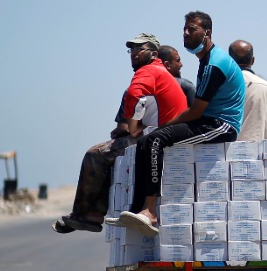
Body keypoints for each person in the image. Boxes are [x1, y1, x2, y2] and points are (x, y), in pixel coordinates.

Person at [106, 11, 246, 236]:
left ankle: (151, 212)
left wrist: (166, 125)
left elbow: (197, 110)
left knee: (156, 140)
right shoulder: (206, 60)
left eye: (192, 29)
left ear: (207, 33)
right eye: (185, 29)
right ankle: (136, 210)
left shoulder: (215, 64)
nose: (186, 33)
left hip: (221, 125)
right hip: (207, 120)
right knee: (146, 141)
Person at [52, 33, 188, 233]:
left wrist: (132, 129)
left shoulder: (148, 71)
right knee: (112, 157)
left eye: (139, 49)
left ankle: (83, 214)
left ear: (154, 54)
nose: (133, 54)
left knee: (95, 154)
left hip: (157, 137)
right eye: (131, 50)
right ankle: (94, 214)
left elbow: (133, 95)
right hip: (165, 135)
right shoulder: (162, 74)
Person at [229, 39, 267, 140]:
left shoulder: (219, 86)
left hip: (226, 153)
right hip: (260, 153)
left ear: (229, 61)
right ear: (252, 60)